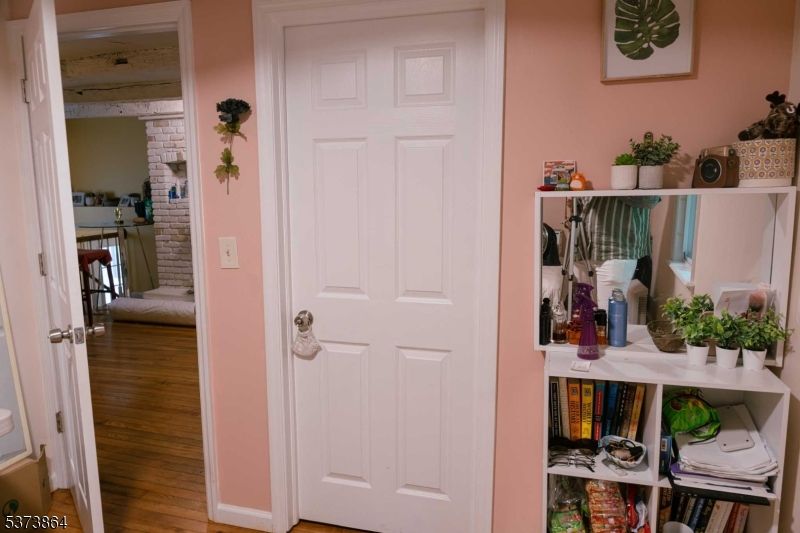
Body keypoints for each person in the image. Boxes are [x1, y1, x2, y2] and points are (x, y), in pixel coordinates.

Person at [573, 195, 661, 312]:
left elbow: (650, 199)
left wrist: (610, 184)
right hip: (582, 246)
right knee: (585, 316)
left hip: (616, 247)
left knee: (610, 318)